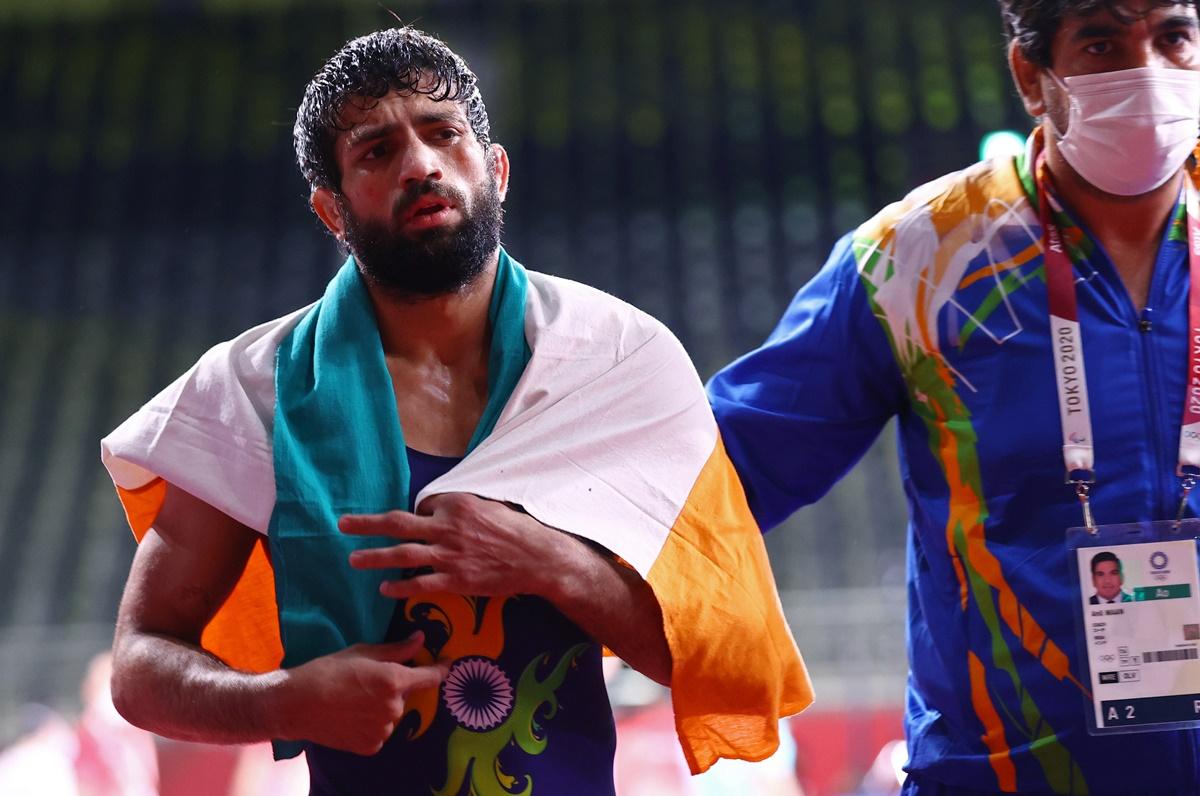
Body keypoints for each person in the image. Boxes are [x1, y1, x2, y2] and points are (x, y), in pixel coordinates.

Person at [101, 27, 811, 795]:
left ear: (496, 169)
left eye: (443, 133)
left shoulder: (619, 359)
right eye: (376, 151)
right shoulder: (252, 389)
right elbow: (140, 664)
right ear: (330, 212)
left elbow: (718, 649)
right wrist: (287, 700)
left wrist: (549, 563)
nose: (420, 164)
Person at [707, 1, 1200, 793]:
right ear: (1031, 76)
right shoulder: (917, 259)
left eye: (1173, 35)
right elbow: (720, 472)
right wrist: (539, 541)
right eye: (1104, 41)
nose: (1147, 70)